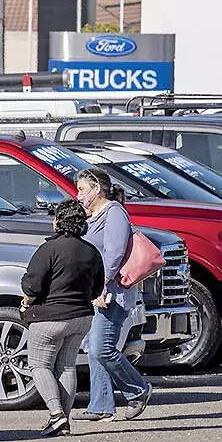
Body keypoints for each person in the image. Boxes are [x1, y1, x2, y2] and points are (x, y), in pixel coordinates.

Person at [74, 168, 153, 422]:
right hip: (97, 290)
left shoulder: (114, 213)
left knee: (101, 348)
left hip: (112, 292)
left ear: (98, 188)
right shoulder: (94, 215)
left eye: (83, 189)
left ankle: (138, 389)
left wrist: (102, 285)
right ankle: (101, 405)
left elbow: (114, 253)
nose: (79, 195)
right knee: (94, 348)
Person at [20, 199, 104, 437]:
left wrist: (26, 299)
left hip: (50, 319)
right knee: (66, 366)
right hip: (81, 318)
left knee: (39, 364)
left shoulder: (49, 249)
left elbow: (32, 286)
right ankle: (62, 421)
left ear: (59, 221)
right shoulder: (91, 251)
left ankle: (56, 415)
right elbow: (97, 289)